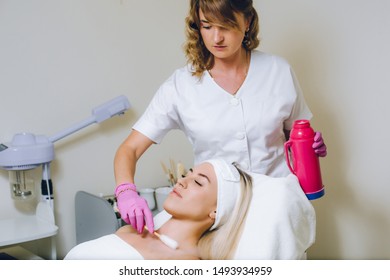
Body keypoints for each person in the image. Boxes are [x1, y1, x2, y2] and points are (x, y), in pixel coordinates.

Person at [113, 0, 327, 234]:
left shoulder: (278, 71)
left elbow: (295, 137)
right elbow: (129, 149)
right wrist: (125, 191)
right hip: (219, 219)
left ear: (247, 22)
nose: (216, 38)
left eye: (225, 25)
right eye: (207, 26)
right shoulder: (181, 86)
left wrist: (310, 146)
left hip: (280, 209)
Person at [65, 159, 253, 260]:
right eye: (187, 174)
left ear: (216, 210)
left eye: (197, 182)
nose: (181, 181)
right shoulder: (128, 230)